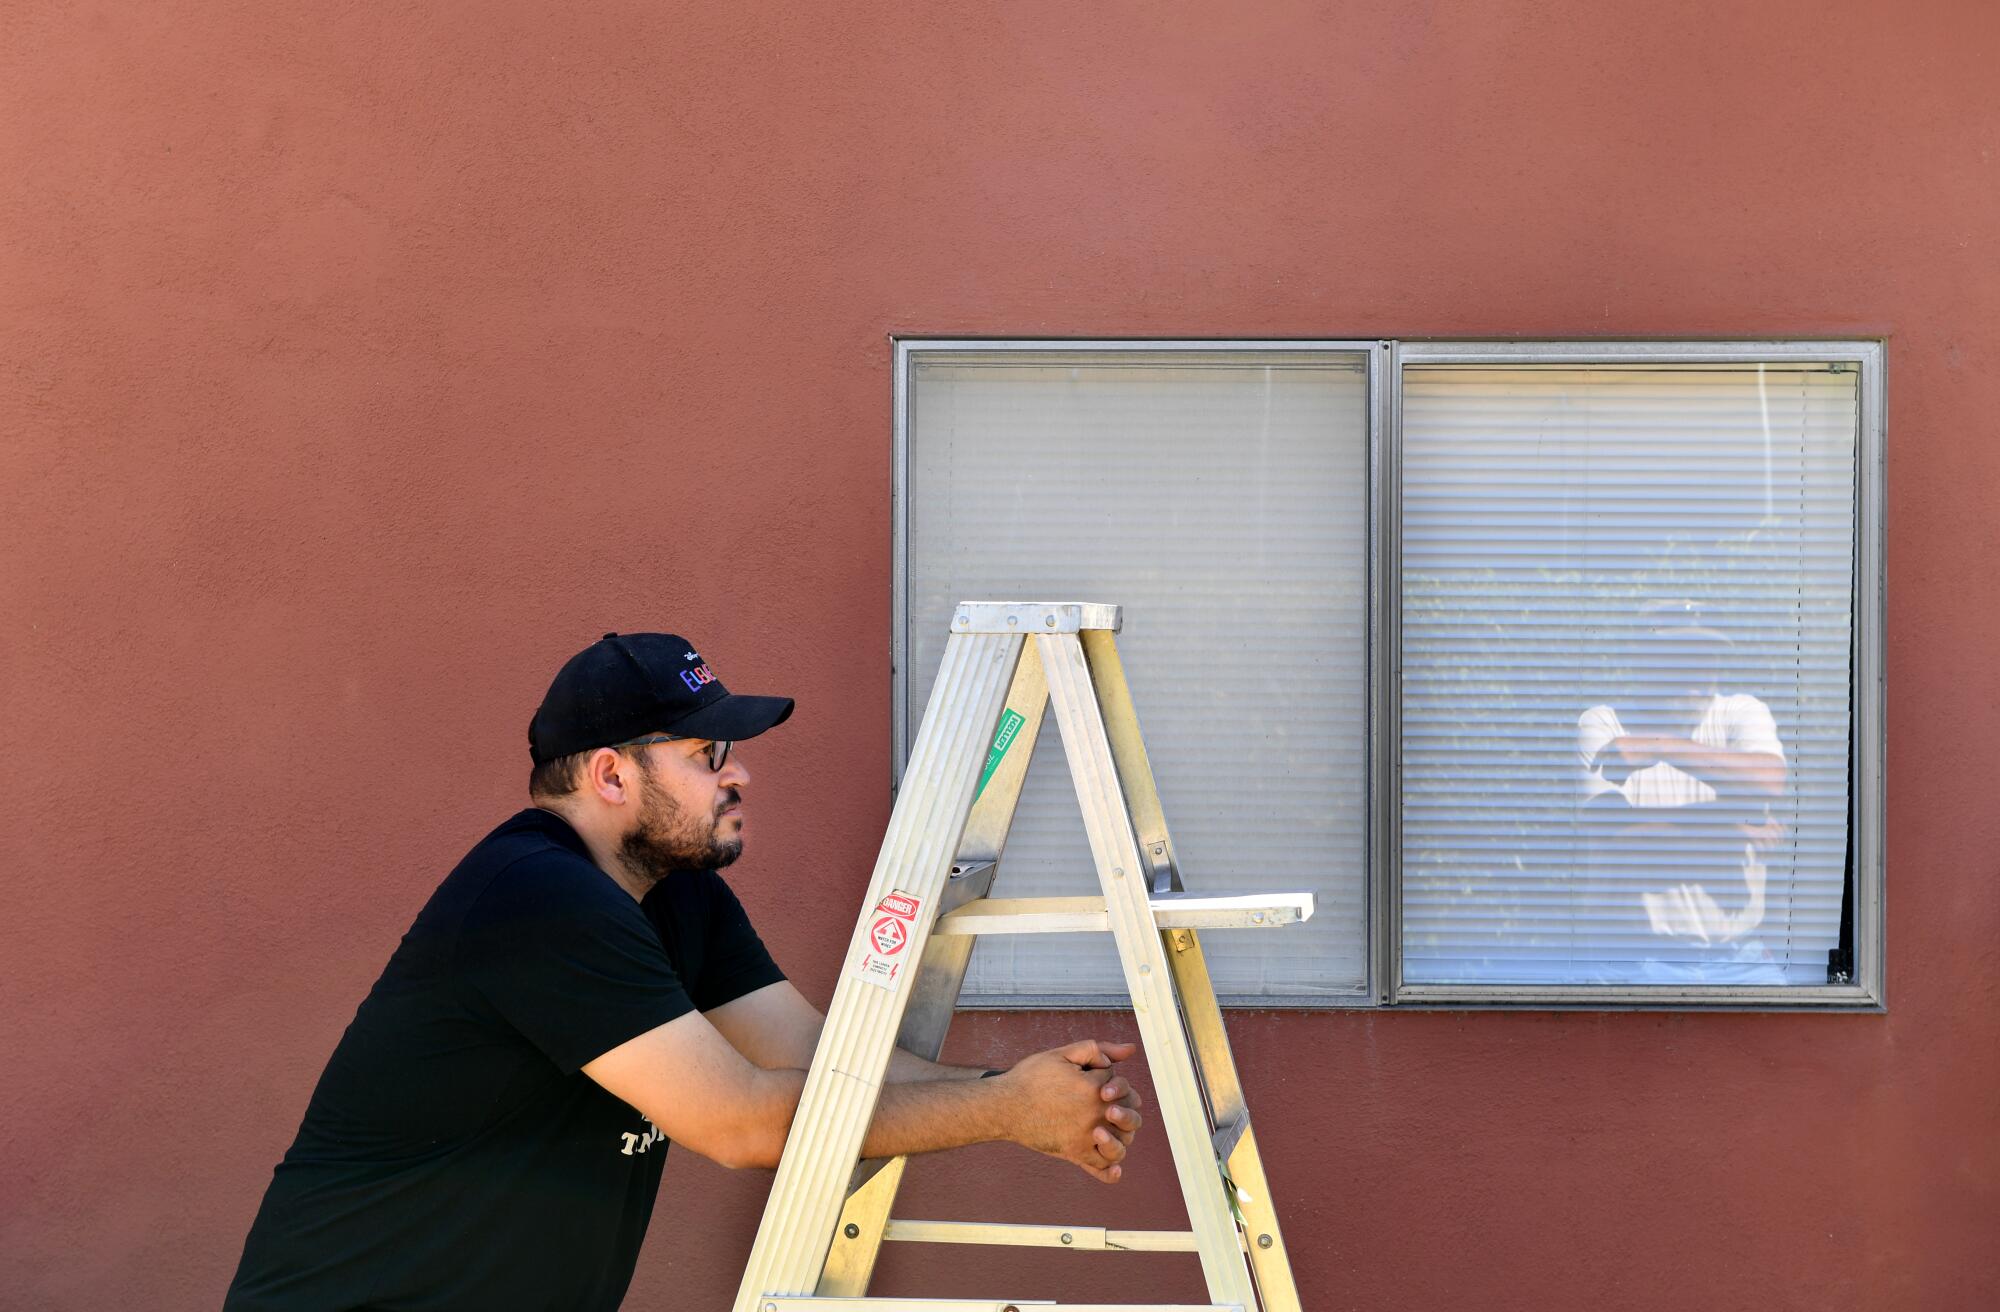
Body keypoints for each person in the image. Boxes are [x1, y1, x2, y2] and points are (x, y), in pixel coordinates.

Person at [225, 631, 1144, 1311]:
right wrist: (1005, 1111)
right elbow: (741, 1122)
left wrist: (1032, 1095)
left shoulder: (674, 897)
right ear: (612, 777)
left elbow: (825, 1059)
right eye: (707, 757)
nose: (738, 777)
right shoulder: (536, 898)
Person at [1574, 603, 1790, 981]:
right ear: (1643, 662)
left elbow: (1769, 780)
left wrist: (1665, 746)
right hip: (1635, 964)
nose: (1697, 670)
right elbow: (1615, 837)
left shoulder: (1740, 712)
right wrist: (1730, 825)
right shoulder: (1603, 723)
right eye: (1680, 655)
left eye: (1706, 656)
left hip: (1743, 960)